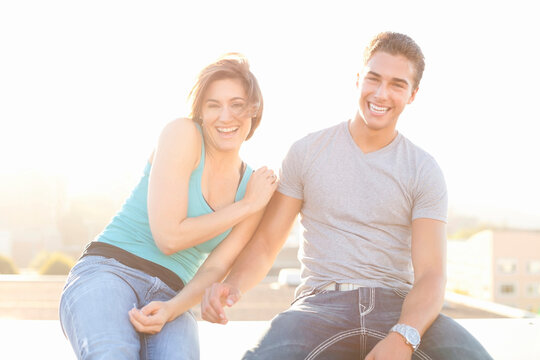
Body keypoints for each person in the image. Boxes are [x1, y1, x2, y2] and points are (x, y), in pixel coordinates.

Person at [202, 32, 493, 359]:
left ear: (412, 94)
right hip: (318, 307)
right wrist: (234, 284)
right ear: (358, 79)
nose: (381, 93)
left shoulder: (423, 170)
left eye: (397, 84)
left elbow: (431, 274)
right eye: (374, 79)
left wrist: (403, 336)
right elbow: (268, 242)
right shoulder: (307, 152)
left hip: (396, 305)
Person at [59, 53, 278, 360]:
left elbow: (216, 267)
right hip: (110, 271)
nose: (225, 116)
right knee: (112, 354)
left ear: (254, 109)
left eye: (237, 104)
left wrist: (172, 309)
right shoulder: (183, 133)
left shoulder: (253, 185)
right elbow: (169, 237)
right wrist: (246, 206)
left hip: (175, 294)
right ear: (200, 111)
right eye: (213, 105)